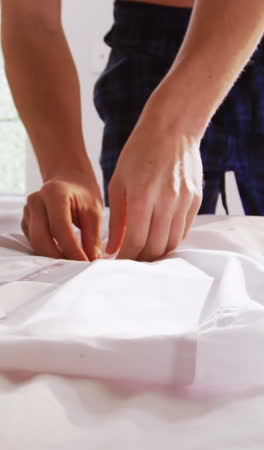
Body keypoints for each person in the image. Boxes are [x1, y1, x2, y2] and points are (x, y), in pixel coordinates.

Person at [1, 0, 264, 262]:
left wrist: (176, 126)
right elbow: (32, 18)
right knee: (139, 254)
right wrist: (65, 169)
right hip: (147, 43)